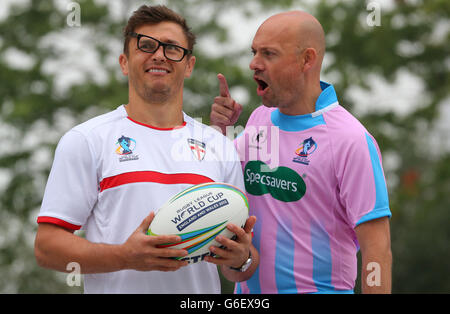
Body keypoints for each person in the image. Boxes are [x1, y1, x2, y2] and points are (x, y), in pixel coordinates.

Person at [34, 5, 258, 294]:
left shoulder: (218, 146)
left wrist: (242, 259)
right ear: (124, 62)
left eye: (172, 48)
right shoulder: (87, 140)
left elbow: (239, 267)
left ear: (189, 65)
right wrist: (126, 256)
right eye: (147, 45)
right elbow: (46, 248)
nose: (160, 55)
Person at [210, 11, 392, 294]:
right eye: (254, 51)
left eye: (269, 54)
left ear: (307, 59)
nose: (254, 63)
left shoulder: (350, 139)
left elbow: (376, 248)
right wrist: (219, 131)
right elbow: (218, 186)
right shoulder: (259, 120)